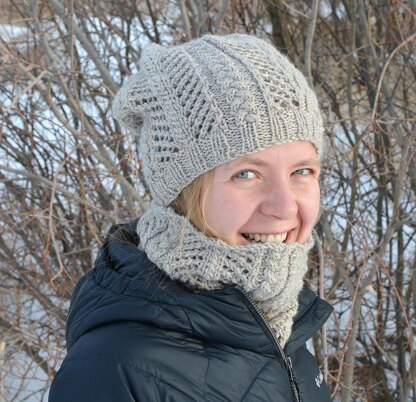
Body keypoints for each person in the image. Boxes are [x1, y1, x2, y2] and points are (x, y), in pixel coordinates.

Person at [49, 34, 333, 402]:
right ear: (183, 192)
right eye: (246, 174)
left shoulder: (277, 321)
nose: (284, 207)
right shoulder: (114, 370)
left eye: (302, 171)